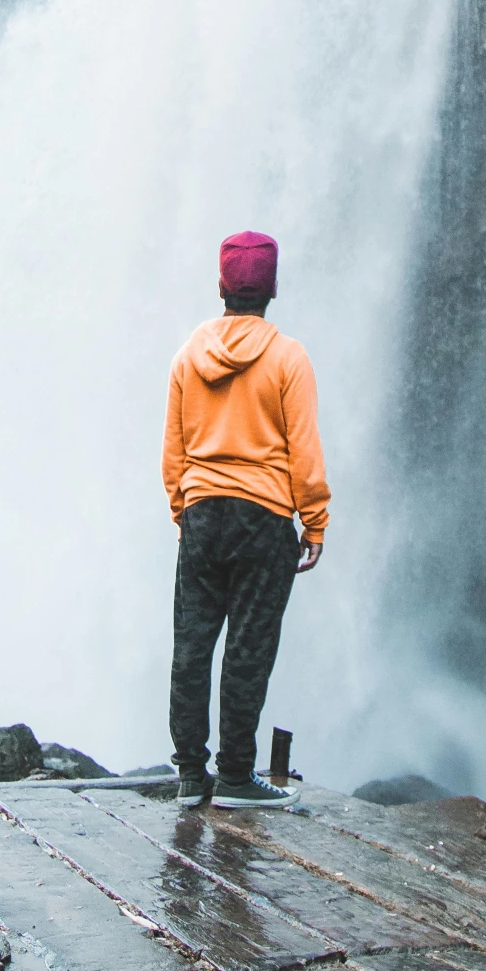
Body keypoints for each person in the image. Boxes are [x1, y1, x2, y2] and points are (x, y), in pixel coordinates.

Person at [163, 230, 329, 809]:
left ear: (221, 287)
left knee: (192, 644)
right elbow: (303, 450)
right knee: (248, 649)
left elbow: (174, 448)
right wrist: (315, 522)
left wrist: (183, 507)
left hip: (204, 511)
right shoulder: (288, 357)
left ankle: (189, 774)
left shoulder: (190, 354)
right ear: (274, 288)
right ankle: (234, 776)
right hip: (264, 517)